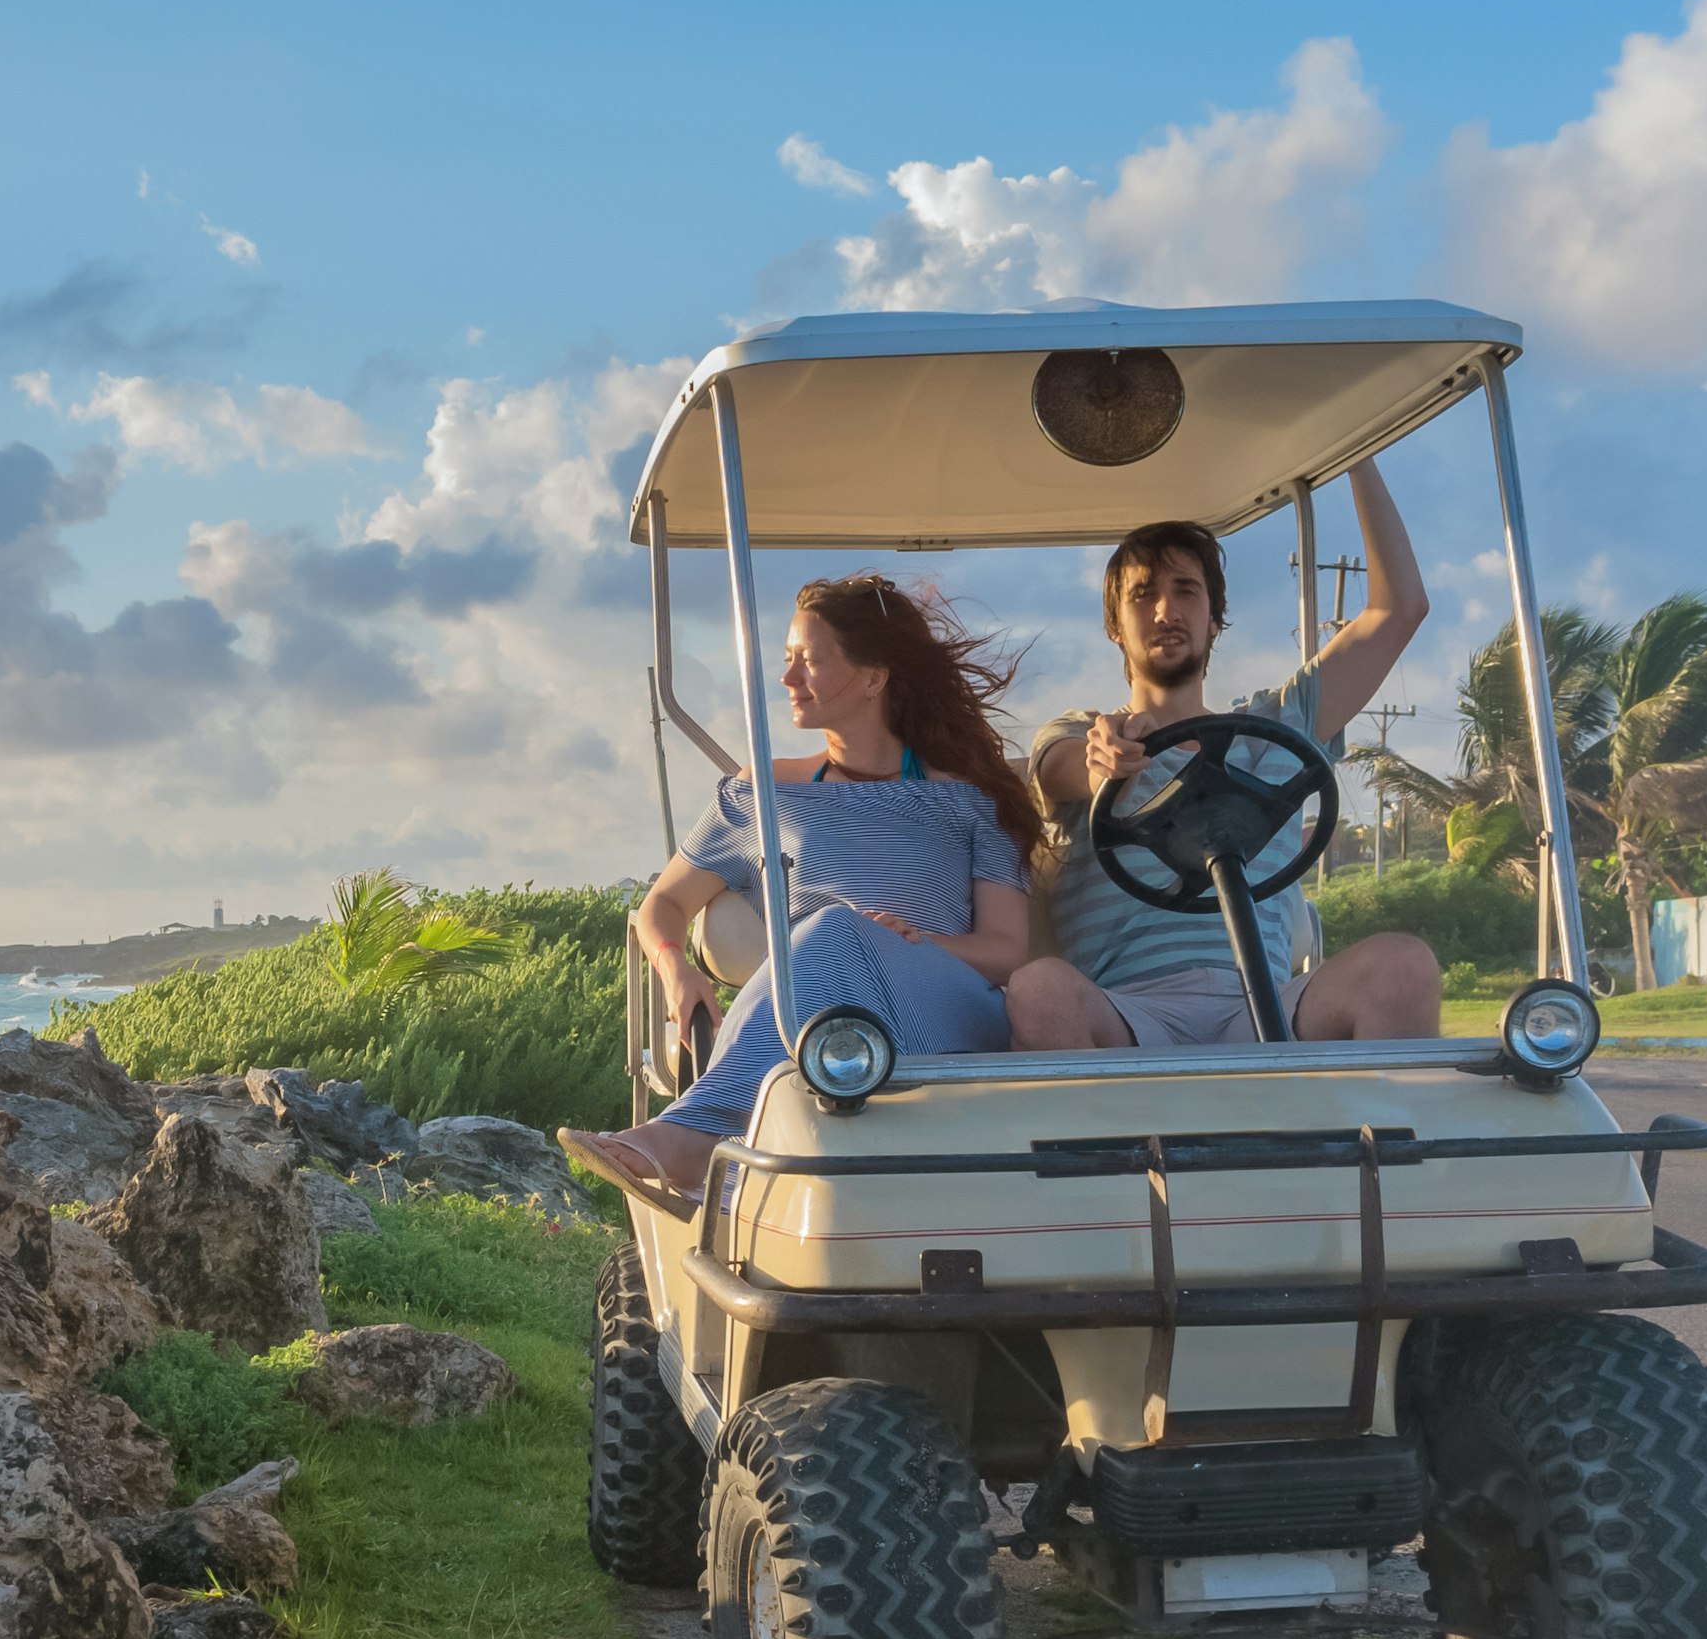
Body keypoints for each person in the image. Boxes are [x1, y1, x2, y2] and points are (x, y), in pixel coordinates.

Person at [559, 574, 1043, 1210]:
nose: (788, 679)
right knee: (830, 937)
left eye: (809, 661)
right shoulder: (762, 792)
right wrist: (676, 971)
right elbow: (664, 904)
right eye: (787, 659)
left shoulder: (969, 797)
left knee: (836, 929)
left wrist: (909, 939)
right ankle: (738, 1187)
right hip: (818, 1028)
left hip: (949, 1018)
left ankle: (695, 1135)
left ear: (874, 677)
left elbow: (1008, 952)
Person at [1007, 463, 1445, 1049]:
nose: (1166, 611)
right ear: (1115, 625)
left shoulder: (1285, 723)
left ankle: (1380, 1138)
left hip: (1264, 1004)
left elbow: (1399, 610)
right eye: (1143, 596)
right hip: (1130, 1013)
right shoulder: (1085, 733)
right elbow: (1066, 769)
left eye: (1185, 591)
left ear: (1214, 618)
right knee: (1039, 989)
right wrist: (1102, 765)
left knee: (1404, 966)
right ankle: (1100, 1141)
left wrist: (1354, 454)